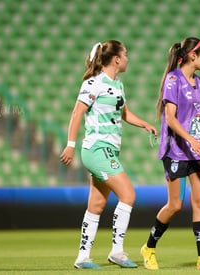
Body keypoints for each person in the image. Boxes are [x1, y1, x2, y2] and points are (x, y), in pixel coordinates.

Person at [60, 40, 157, 270]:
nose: (127, 58)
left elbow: (124, 114)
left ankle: (82, 258)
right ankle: (117, 251)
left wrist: (145, 124)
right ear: (116, 59)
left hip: (109, 149)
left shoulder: (118, 85)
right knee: (128, 195)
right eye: (126, 54)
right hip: (96, 149)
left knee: (96, 205)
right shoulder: (93, 84)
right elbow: (76, 113)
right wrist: (70, 144)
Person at [141, 37, 200, 270]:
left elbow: (197, 119)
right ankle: (148, 248)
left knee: (199, 202)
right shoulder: (173, 79)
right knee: (175, 205)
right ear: (191, 56)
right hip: (177, 149)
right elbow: (171, 118)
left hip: (198, 150)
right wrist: (191, 141)